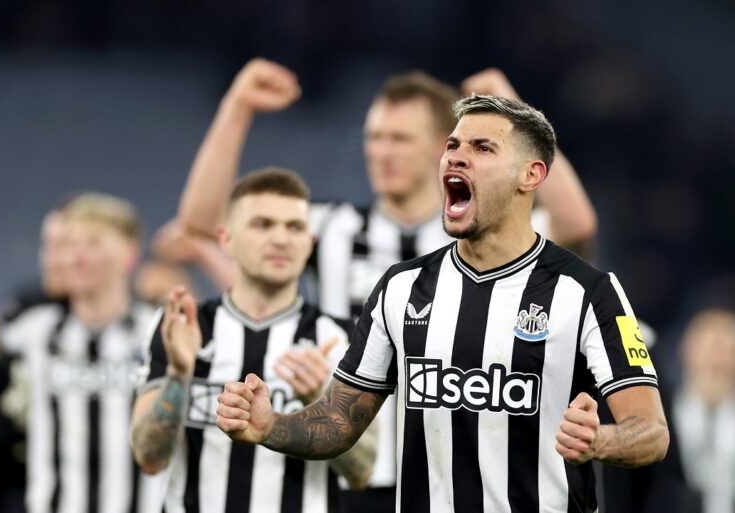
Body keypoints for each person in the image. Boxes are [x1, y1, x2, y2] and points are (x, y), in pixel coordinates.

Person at [173, 58, 599, 511]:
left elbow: (576, 224)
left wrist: (509, 111)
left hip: (447, 478)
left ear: (443, 146)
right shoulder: (332, 227)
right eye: (374, 138)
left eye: (399, 139)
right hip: (349, 465)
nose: (381, 152)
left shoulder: (484, 234)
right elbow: (203, 222)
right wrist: (238, 107)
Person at [130, 168, 376, 513]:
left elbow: (362, 472)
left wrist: (322, 403)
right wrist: (179, 374)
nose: (281, 239)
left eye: (295, 227)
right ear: (226, 239)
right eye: (263, 225)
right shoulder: (184, 327)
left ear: (310, 243)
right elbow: (149, 457)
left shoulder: (340, 337)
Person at [0, 193, 166, 513]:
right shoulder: (35, 326)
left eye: (94, 243)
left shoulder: (159, 331)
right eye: (70, 245)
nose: (77, 256)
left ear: (128, 255)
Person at [0, 206, 71, 513]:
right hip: (6, 495)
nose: (53, 259)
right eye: (48, 246)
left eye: (65, 247)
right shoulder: (25, 314)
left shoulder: (127, 329)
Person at [672, 308, 735, 513]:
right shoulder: (659, 420)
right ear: (685, 351)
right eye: (709, 348)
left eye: (728, 350)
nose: (717, 361)